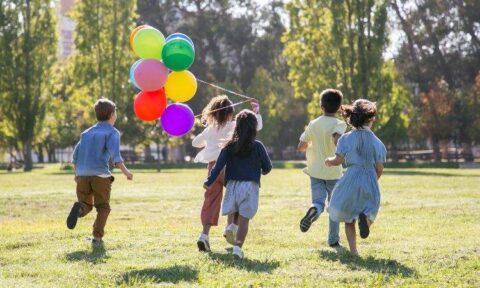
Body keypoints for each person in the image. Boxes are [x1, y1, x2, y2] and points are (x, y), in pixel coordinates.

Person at [192, 95, 262, 252]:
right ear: (230, 113)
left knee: (210, 201)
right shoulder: (233, 126)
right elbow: (255, 127)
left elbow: (195, 143)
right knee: (236, 197)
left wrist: (208, 135)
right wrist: (256, 112)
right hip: (231, 167)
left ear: (213, 113)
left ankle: (204, 235)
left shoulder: (209, 130)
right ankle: (231, 226)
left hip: (212, 169)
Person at [204, 110, 272, 258]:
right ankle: (237, 248)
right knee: (245, 220)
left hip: (232, 185)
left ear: (237, 126)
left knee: (235, 209)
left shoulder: (229, 146)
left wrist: (209, 181)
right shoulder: (258, 146)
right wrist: (262, 171)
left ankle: (231, 226)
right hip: (250, 186)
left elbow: (218, 166)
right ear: (254, 128)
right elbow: (268, 167)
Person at [66, 98, 133, 245]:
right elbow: (116, 156)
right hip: (100, 175)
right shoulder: (112, 132)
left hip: (82, 175)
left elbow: (75, 156)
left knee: (86, 205)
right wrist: (126, 172)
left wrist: (77, 174)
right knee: (103, 207)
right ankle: (97, 238)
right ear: (111, 114)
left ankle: (79, 209)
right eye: (115, 113)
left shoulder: (86, 133)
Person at [325, 99, 387, 255]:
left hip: (350, 178)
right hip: (369, 178)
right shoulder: (377, 142)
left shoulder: (345, 138)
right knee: (370, 209)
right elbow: (379, 168)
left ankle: (354, 252)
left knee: (348, 217)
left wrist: (330, 161)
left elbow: (338, 160)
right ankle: (365, 221)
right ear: (371, 119)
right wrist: (374, 179)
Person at [297, 89, 347, 247]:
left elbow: (301, 146)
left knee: (318, 202)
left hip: (315, 170)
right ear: (339, 108)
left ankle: (313, 211)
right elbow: (337, 140)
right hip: (333, 171)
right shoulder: (339, 124)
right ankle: (333, 239)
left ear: (321, 107)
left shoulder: (314, 123)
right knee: (334, 207)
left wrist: (312, 144)